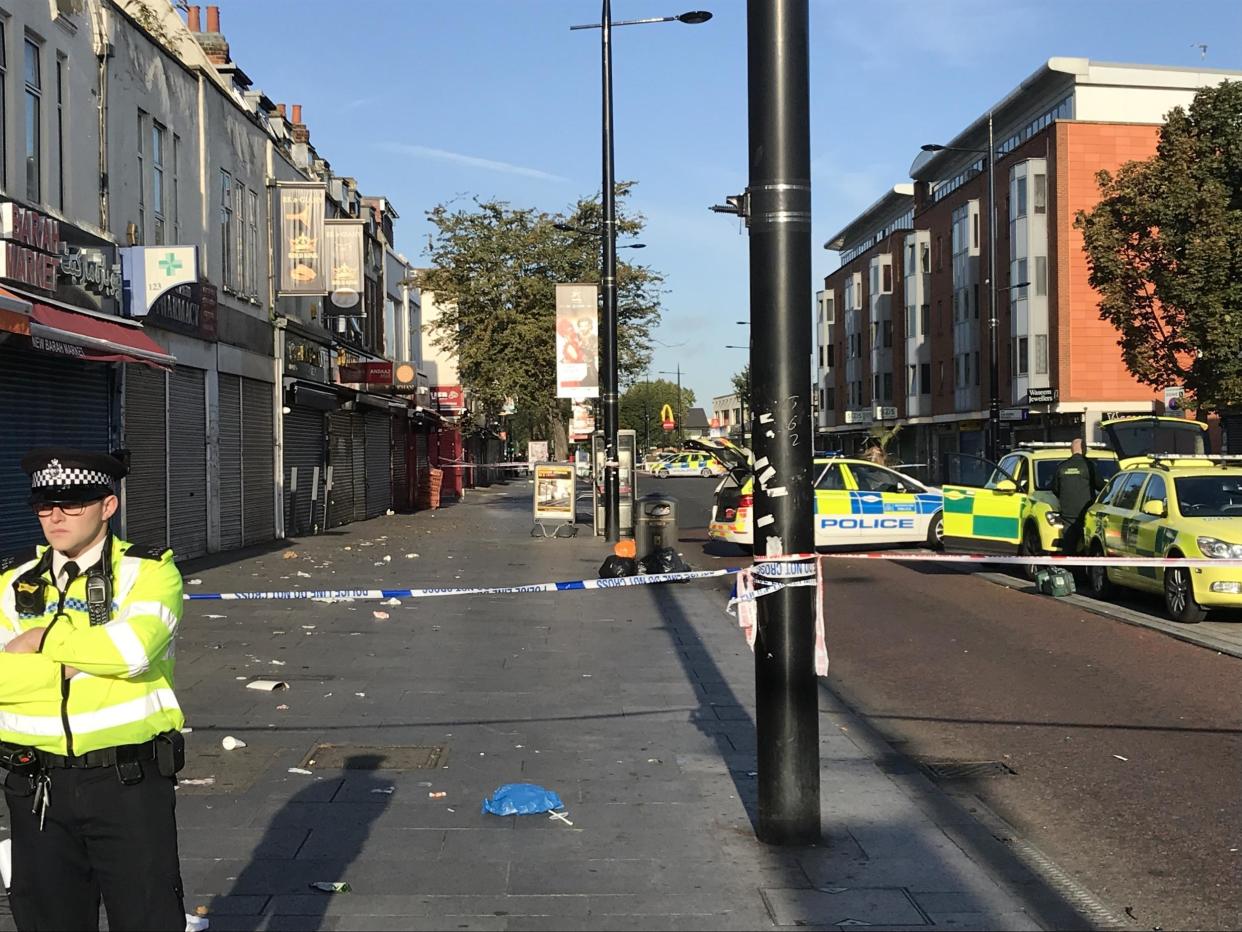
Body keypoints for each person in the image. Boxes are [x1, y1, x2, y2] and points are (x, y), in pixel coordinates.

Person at [0, 448, 187, 930]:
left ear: (108, 506)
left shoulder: (148, 572)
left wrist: (44, 640)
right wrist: (78, 662)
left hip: (127, 782)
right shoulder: (10, 580)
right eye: (44, 505)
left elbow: (132, 653)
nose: (55, 516)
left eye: (72, 504)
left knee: (147, 919)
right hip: (35, 785)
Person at [1051, 438, 1103, 554]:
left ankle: (1068, 570)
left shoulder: (1062, 466)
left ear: (1071, 450)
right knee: (1088, 547)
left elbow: (1055, 488)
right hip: (1086, 513)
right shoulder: (1089, 466)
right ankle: (1085, 570)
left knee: (1068, 546)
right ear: (1084, 450)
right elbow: (1101, 486)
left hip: (1067, 514)